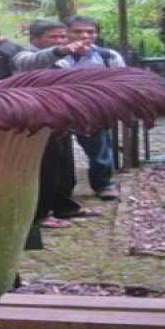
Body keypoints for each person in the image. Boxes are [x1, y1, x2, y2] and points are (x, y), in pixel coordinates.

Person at [15, 19, 97, 228]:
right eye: (53, 37)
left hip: (59, 118)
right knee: (46, 167)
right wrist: (62, 50)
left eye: (62, 36)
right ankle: (40, 214)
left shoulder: (61, 62)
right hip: (37, 120)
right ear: (34, 39)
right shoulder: (23, 56)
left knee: (64, 168)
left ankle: (64, 206)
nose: (60, 41)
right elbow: (34, 62)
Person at [61, 15, 125, 201]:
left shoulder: (108, 57)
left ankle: (104, 184)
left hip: (92, 109)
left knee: (99, 148)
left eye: (90, 32)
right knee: (59, 152)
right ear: (67, 33)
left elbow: (121, 82)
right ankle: (61, 190)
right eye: (78, 31)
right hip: (59, 108)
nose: (85, 35)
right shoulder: (54, 56)